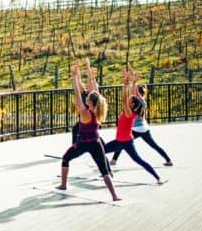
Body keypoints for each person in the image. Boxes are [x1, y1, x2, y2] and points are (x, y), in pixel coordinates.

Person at [58, 60, 121, 201]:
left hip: (82, 143)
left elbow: (77, 94)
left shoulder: (85, 113)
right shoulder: (99, 111)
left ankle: (63, 185)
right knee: (104, 170)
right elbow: (97, 94)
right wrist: (90, 76)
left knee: (66, 158)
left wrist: (75, 77)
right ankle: (114, 195)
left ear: (90, 102)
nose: (85, 98)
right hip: (96, 142)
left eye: (87, 98)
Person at [103, 69, 166, 185]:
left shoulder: (129, 113)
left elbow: (123, 99)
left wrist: (125, 84)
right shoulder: (131, 109)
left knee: (138, 160)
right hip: (119, 141)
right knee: (101, 151)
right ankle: (107, 172)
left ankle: (158, 178)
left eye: (130, 99)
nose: (128, 99)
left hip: (127, 142)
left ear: (131, 104)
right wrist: (132, 83)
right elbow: (131, 96)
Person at [109, 81, 173, 167]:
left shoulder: (135, 102)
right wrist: (134, 83)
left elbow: (133, 92)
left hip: (136, 129)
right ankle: (168, 160)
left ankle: (114, 160)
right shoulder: (143, 103)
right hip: (144, 128)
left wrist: (133, 83)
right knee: (154, 145)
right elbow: (134, 92)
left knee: (122, 142)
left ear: (137, 93)